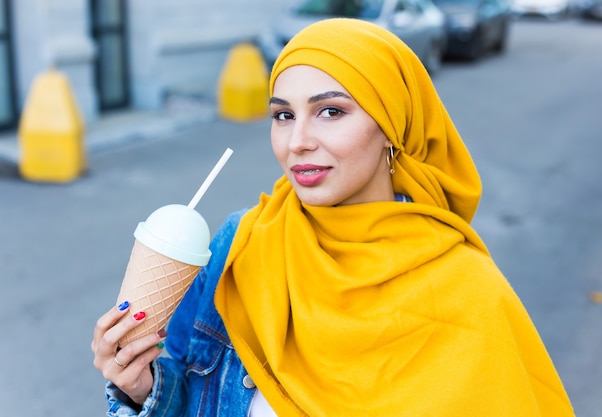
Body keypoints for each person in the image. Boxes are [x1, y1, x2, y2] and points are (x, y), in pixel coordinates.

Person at [92, 18, 576, 417]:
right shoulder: (237, 245)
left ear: (391, 125)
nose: (297, 140)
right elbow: (181, 384)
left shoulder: (470, 292)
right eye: (284, 115)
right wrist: (142, 389)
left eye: (330, 112)